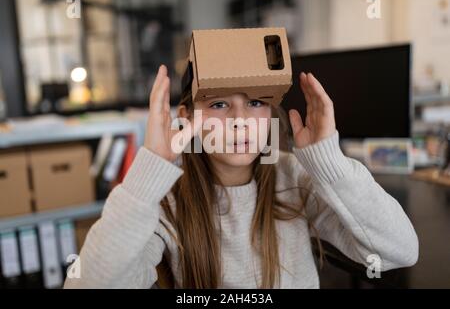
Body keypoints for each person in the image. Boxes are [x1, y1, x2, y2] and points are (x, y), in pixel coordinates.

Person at [64, 65, 418, 289]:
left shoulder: (294, 176)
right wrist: (149, 170)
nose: (240, 120)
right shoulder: (165, 202)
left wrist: (330, 163)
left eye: (255, 102)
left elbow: (399, 251)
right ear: (186, 117)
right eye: (218, 104)